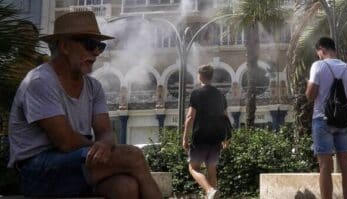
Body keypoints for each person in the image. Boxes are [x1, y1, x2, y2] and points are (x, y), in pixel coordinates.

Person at [7, 11, 162, 198]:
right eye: (90, 45)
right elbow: (65, 142)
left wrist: (105, 143)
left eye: (100, 46)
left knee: (125, 187)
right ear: (65, 46)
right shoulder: (40, 81)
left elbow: (105, 131)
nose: (96, 52)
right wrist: (101, 148)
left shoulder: (93, 86)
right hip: (36, 171)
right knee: (132, 155)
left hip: (75, 163)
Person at [305, 37, 347, 199]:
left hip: (322, 120)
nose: (318, 56)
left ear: (321, 49)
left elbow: (310, 95)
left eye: (318, 53)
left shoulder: (318, 66)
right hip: (344, 121)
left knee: (325, 167)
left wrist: (309, 85)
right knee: (346, 166)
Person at [182, 64, 229, 199]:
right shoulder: (220, 95)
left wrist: (185, 137)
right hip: (216, 139)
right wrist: (226, 138)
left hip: (200, 137)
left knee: (193, 168)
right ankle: (212, 193)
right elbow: (225, 117)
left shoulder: (196, 93)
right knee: (211, 170)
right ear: (211, 76)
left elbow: (190, 117)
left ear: (200, 76)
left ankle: (209, 190)